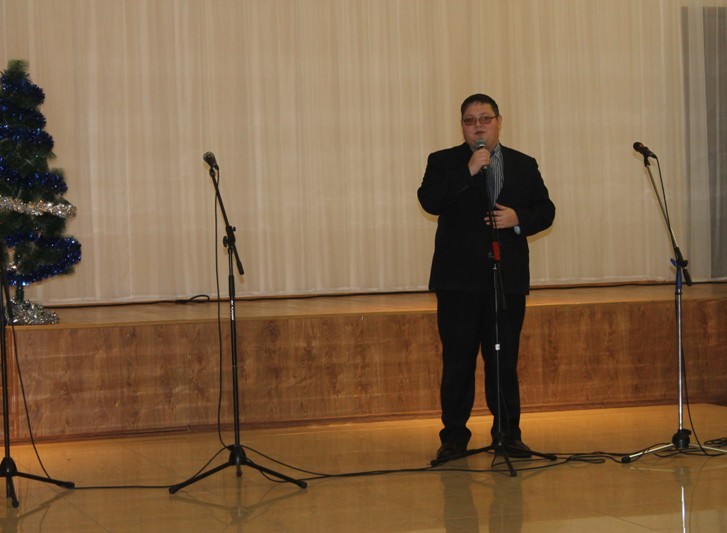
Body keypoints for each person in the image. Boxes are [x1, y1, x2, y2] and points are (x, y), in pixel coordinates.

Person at [417, 93, 555, 461]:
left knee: (503, 361)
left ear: (498, 121)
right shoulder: (443, 162)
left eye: (485, 118)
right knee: (458, 362)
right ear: (462, 126)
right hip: (458, 282)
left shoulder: (524, 164)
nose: (478, 126)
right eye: (470, 120)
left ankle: (508, 434)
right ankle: (453, 438)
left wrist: (519, 218)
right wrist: (468, 171)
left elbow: (546, 210)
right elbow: (429, 200)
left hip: (505, 280)